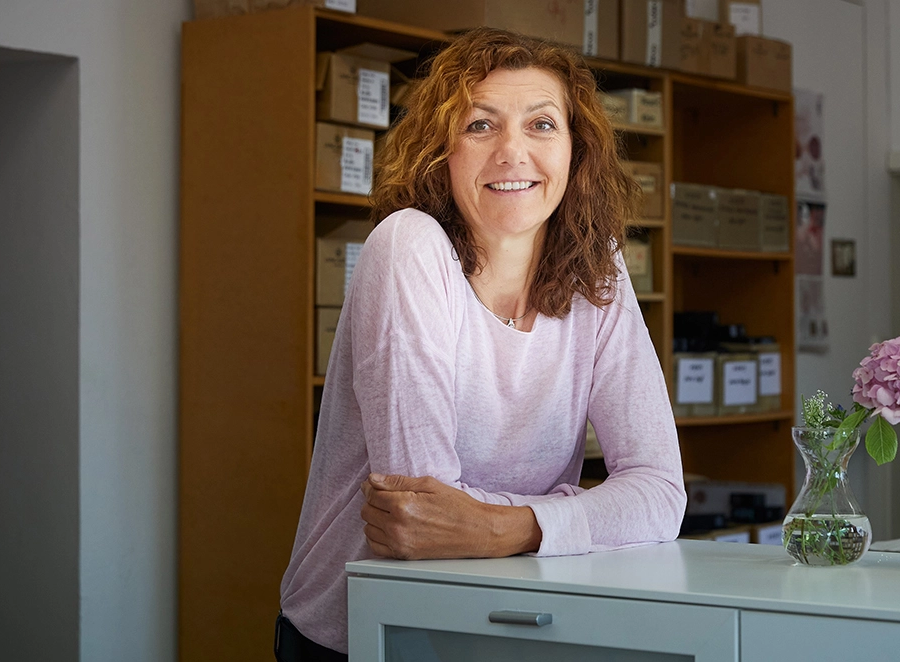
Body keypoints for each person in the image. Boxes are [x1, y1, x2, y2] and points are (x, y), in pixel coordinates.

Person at [274, 28, 686, 661]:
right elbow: (419, 518)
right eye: (480, 125)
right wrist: (582, 516)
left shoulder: (597, 268)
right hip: (364, 634)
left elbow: (661, 494)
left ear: (577, 151)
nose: (512, 152)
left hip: (508, 624)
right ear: (443, 150)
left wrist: (503, 526)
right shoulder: (407, 246)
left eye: (542, 125)